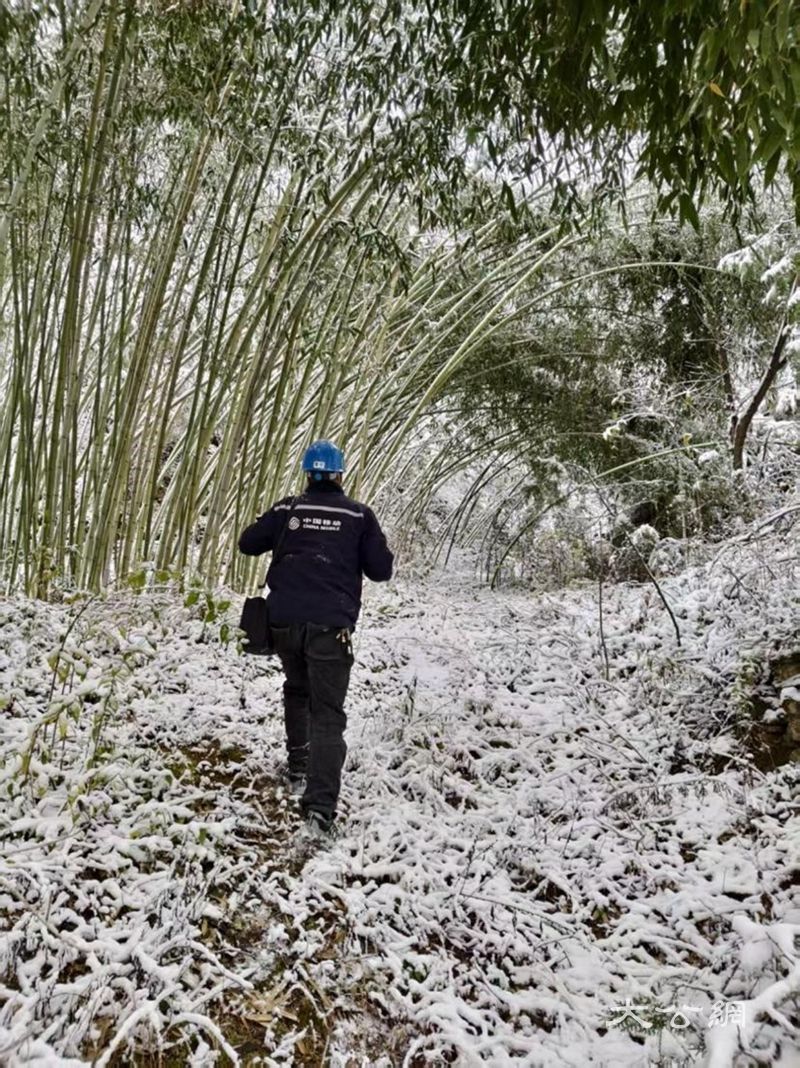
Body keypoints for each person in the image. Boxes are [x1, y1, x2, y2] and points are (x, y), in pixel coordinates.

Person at [238, 439, 394, 837]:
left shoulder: (288, 508)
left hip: (284, 622)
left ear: (308, 473)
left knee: (297, 689)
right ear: (340, 474)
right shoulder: (359, 515)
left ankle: (298, 766)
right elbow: (381, 571)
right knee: (328, 713)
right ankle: (319, 809)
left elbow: (248, 542)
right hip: (330, 627)